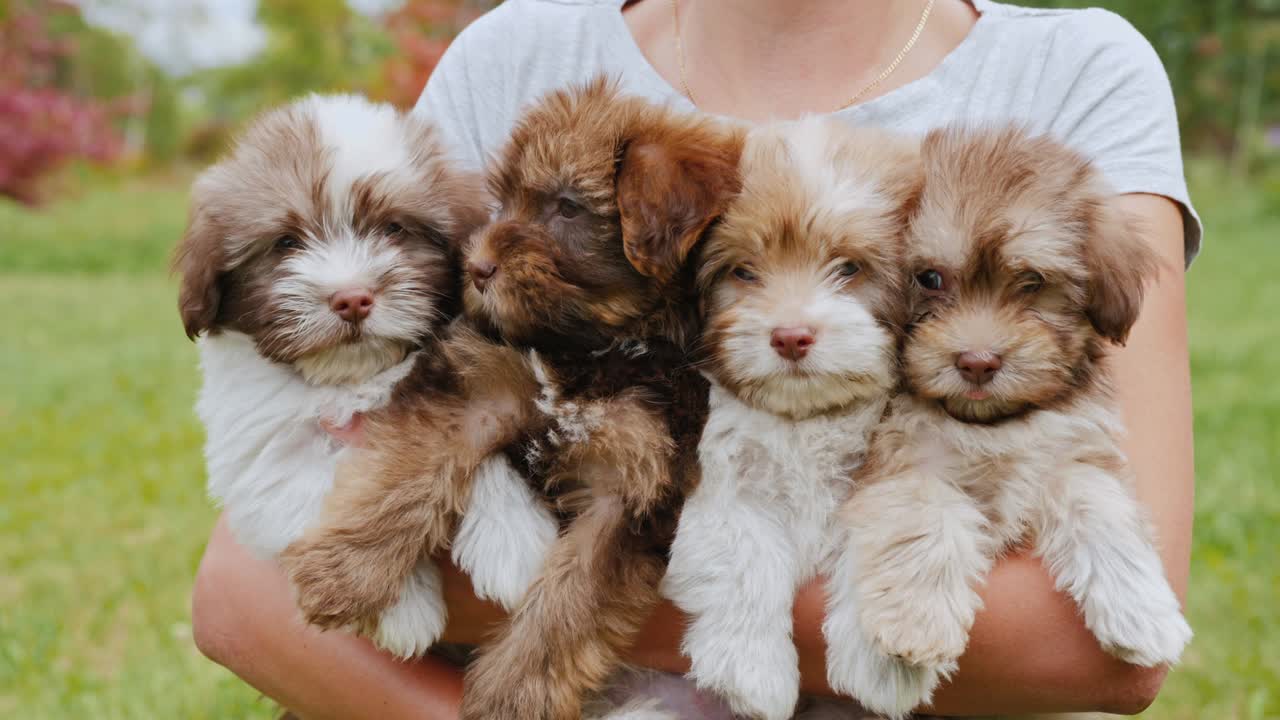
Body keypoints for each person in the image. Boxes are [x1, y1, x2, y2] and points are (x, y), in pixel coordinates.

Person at [191, 1, 1200, 717]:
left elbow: (1100, 652)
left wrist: (630, 580)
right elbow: (254, 584)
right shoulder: (516, 51)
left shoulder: (1068, 70)